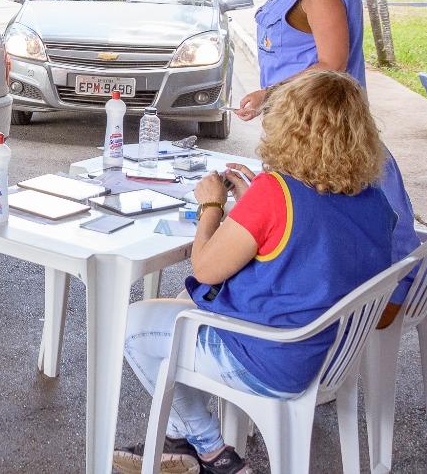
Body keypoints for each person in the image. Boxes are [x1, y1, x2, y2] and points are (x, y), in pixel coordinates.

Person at [115, 71, 396, 474]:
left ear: (290, 128)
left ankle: (213, 452)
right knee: (179, 307)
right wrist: (252, 208)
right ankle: (179, 441)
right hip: (329, 353)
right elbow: (312, 246)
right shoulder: (374, 199)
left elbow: (206, 268)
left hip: (270, 358)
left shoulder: (275, 191)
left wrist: (211, 205)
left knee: (134, 326)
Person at [235, 0, 417, 323]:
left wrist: (270, 93)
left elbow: (331, 64)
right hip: (310, 132)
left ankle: (306, 347)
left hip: (319, 131)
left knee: (301, 243)